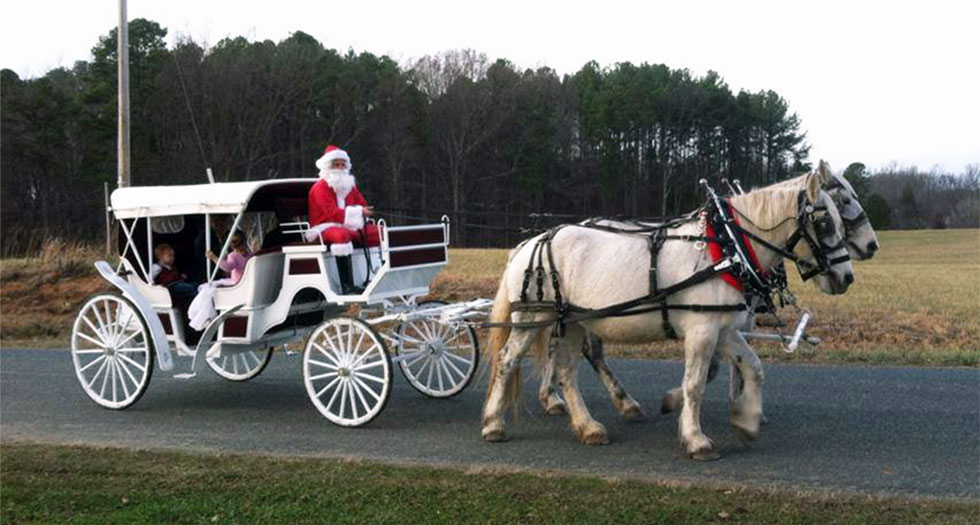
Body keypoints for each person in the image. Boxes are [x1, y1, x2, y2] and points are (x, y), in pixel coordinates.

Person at [306, 144, 380, 294]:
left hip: (347, 225)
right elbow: (331, 213)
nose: (340, 168)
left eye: (342, 164)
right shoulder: (319, 188)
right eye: (336, 165)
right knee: (341, 235)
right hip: (323, 227)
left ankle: (378, 275)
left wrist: (365, 211)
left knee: (380, 233)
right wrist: (359, 212)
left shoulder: (349, 187)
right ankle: (347, 286)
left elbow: (362, 203)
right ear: (328, 166)